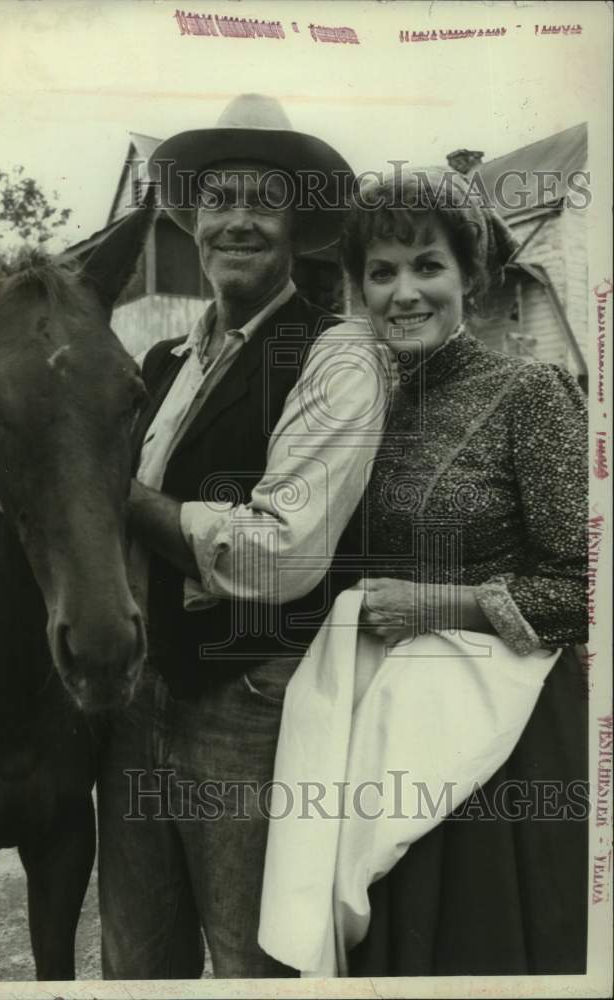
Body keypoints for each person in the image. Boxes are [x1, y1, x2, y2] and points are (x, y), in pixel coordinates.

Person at [96, 94, 389, 979]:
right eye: (218, 199)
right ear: (196, 222)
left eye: (262, 200)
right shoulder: (163, 363)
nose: (236, 220)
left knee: (251, 960)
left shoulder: (338, 353)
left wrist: (117, 492)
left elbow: (278, 552)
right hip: (140, 697)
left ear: (297, 222)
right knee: (138, 956)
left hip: (248, 705)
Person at [337, 167, 588, 975]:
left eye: (427, 266)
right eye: (382, 272)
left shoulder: (531, 394)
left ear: (471, 278)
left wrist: (439, 606)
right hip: (379, 737)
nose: (404, 292)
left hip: (500, 748)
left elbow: (586, 587)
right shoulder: (359, 409)